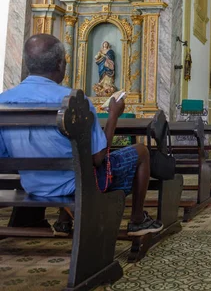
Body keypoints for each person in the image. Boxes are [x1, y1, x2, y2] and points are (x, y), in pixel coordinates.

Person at [0, 34, 162, 236]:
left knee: (68, 154)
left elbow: (4, 157)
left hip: (33, 185)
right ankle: (138, 220)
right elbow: (98, 158)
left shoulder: (3, 101)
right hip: (76, 185)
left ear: (27, 63)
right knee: (142, 152)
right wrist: (113, 116)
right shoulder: (74, 102)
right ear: (60, 64)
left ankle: (63, 222)